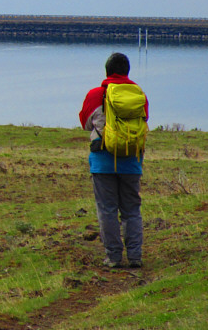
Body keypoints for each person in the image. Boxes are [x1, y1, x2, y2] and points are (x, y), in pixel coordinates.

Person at [79, 52, 148, 269]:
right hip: (131, 160)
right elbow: (144, 121)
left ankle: (114, 257)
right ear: (127, 71)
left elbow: (85, 124)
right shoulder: (139, 95)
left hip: (103, 162)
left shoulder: (95, 94)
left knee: (107, 210)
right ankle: (135, 256)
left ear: (107, 71)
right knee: (132, 210)